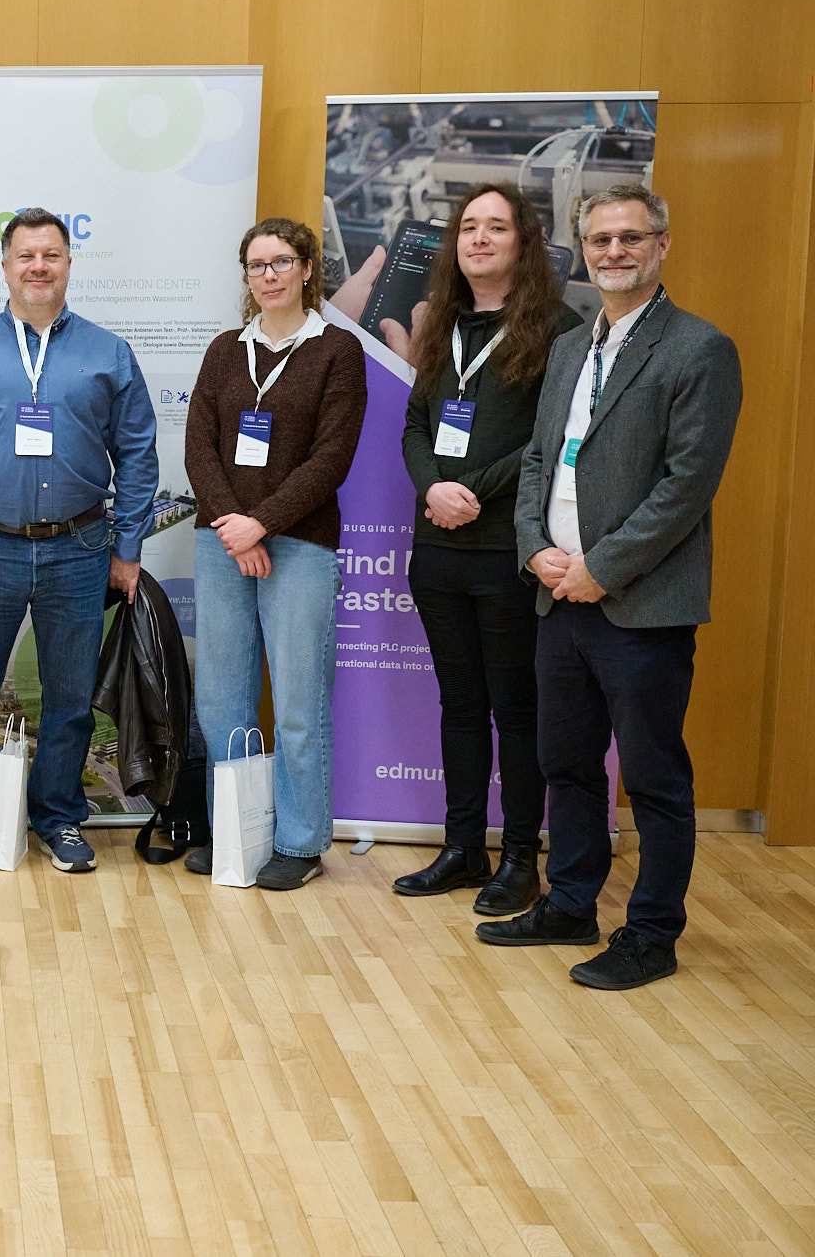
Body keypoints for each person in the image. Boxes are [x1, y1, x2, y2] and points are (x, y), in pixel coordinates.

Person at [478, 185, 741, 990]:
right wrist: (536, 550)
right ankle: (570, 904)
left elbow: (686, 486)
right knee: (566, 764)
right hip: (558, 594)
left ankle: (652, 934)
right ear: (583, 249)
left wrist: (603, 566)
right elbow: (538, 461)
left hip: (640, 605)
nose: (614, 251)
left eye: (631, 236)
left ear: (663, 244)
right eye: (600, 239)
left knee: (654, 778)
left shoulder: (700, 349)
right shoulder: (569, 348)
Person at [0, 208, 158, 871]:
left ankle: (59, 818)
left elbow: (138, 454)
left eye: (51, 255)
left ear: (69, 263)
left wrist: (128, 547)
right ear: (5, 266)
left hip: (80, 549)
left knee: (70, 699)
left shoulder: (108, 353)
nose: (38, 267)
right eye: (26, 256)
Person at [393, 183, 580, 913]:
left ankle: (521, 858)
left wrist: (469, 490)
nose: (478, 238)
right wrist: (432, 487)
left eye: (496, 227)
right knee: (461, 705)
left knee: (516, 708)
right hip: (438, 547)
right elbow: (415, 423)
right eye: (468, 226)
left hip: (510, 549)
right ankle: (463, 847)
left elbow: (549, 441)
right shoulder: (443, 322)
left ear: (523, 242)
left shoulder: (559, 329)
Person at [183, 217, 366, 889]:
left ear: (308, 268)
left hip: (300, 544)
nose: (269, 275)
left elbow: (331, 458)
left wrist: (260, 524)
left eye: (282, 261)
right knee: (221, 701)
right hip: (221, 542)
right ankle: (234, 830)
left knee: (296, 703)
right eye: (257, 265)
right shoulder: (225, 349)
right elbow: (198, 445)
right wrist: (235, 528)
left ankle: (299, 840)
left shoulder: (337, 350)